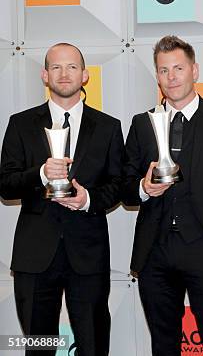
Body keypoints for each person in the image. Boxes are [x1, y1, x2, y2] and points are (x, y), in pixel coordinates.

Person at [123, 35, 203, 356]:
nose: (172, 77)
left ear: (195, 70)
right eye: (164, 70)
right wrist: (143, 187)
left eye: (178, 68)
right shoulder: (142, 124)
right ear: (158, 76)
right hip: (155, 251)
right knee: (163, 344)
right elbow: (124, 186)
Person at [0, 42, 124, 355]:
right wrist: (40, 173)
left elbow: (119, 185)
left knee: (94, 344)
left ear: (85, 76)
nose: (64, 73)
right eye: (56, 67)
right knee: (39, 347)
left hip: (88, 253)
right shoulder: (21, 123)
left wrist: (88, 200)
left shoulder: (109, 127)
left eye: (71, 67)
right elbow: (6, 184)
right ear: (44, 75)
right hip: (35, 255)